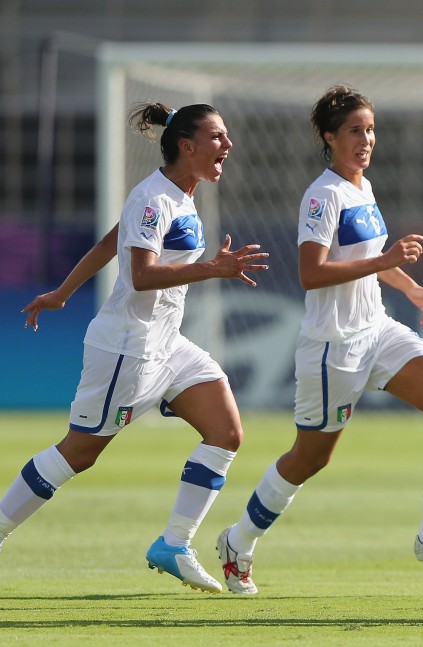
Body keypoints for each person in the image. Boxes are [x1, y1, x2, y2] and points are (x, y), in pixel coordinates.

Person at [215, 85, 423, 595]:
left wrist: (410, 285)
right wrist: (387, 262)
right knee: (310, 458)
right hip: (332, 345)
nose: (366, 140)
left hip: (377, 329)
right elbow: (312, 273)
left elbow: (373, 254)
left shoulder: (362, 186)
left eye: (370, 130)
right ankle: (238, 540)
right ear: (329, 137)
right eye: (354, 131)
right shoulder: (323, 195)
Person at [2, 102, 268, 594]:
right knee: (79, 453)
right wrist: (211, 268)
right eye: (217, 137)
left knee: (226, 431)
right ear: (186, 146)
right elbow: (141, 275)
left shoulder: (179, 195)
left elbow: (111, 240)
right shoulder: (154, 198)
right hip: (127, 349)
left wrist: (63, 291)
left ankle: (174, 543)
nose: (227, 146)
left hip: (167, 345)